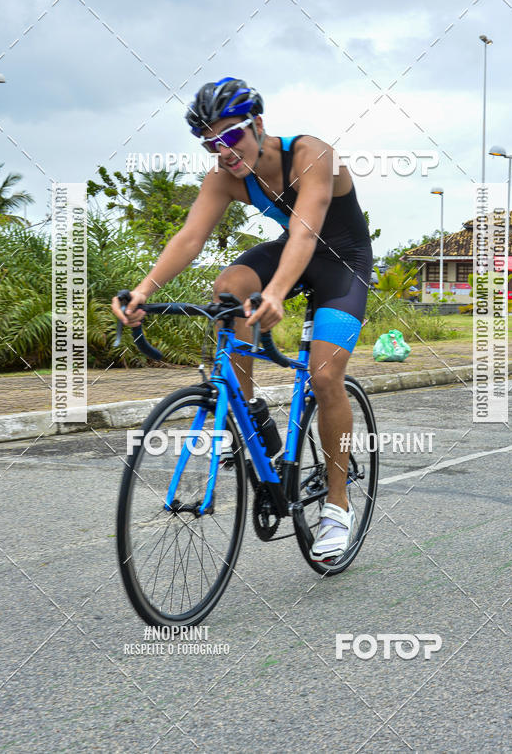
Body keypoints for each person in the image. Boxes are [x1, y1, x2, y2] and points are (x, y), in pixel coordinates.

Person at [111, 77, 373, 560]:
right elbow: (190, 238)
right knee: (230, 285)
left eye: (232, 135)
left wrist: (275, 294)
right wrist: (143, 292)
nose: (224, 150)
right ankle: (248, 412)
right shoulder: (225, 176)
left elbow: (305, 233)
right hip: (292, 253)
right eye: (211, 142)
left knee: (323, 375)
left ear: (258, 124)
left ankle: (337, 506)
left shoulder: (313, 154)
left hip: (341, 263)